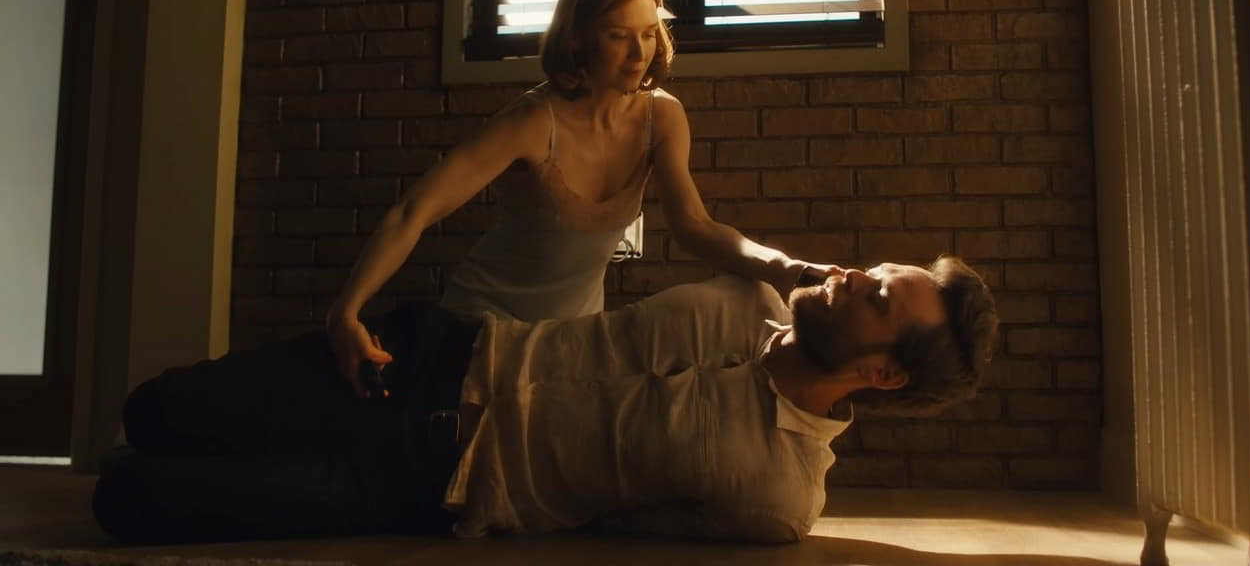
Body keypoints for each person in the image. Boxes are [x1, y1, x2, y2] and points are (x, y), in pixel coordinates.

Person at [92, 256, 998, 545]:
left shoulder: (780, 496)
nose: (853, 275)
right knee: (155, 410)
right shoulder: (745, 293)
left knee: (130, 500)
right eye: (875, 268)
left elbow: (620, 529)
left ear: (886, 374)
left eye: (879, 297)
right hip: (427, 354)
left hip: (425, 482)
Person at [326, 0, 841, 399]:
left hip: (572, 339)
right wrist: (346, 313)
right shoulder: (532, 121)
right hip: (481, 326)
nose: (639, 53)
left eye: (648, 33)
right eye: (618, 36)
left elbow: (696, 227)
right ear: (576, 39)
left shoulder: (661, 117)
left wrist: (789, 269)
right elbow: (413, 211)